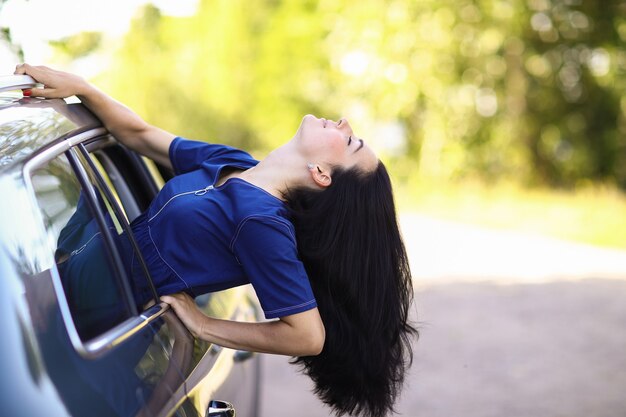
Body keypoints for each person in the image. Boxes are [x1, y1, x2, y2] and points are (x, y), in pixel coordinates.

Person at [15, 63, 417, 417]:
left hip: (91, 317)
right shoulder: (238, 163)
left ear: (322, 174)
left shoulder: (261, 223)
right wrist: (82, 87)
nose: (345, 122)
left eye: (350, 142)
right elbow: (140, 134)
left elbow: (308, 336)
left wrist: (204, 325)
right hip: (60, 285)